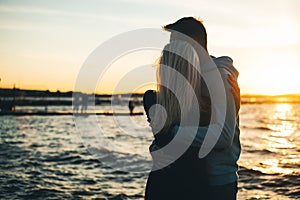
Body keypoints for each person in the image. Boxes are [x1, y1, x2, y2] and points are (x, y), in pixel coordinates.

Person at [144, 17, 241, 200]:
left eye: (177, 44)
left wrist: (171, 133)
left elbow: (223, 137)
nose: (173, 49)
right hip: (194, 177)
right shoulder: (189, 76)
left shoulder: (220, 77)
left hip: (217, 180)